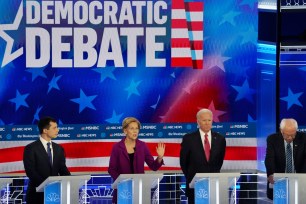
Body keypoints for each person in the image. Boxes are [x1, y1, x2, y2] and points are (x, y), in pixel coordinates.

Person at [108, 117, 165, 203]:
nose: (135, 131)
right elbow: (111, 169)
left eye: (137, 128)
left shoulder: (142, 146)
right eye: (132, 128)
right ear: (125, 131)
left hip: (139, 188)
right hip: (123, 190)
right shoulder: (117, 147)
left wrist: (160, 157)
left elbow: (153, 166)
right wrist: (122, 181)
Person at [180, 108, 226, 204]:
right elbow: (183, 162)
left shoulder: (220, 139)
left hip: (213, 184)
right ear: (198, 121)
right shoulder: (189, 138)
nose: (207, 123)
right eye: (204, 120)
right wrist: (191, 177)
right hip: (194, 185)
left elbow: (220, 161)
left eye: (209, 120)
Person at [23, 116, 71, 204]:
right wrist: (47, 185)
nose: (58, 130)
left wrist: (70, 182)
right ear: (45, 130)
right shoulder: (30, 148)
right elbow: (31, 172)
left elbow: (63, 169)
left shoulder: (59, 148)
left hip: (55, 195)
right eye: (54, 128)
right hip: (36, 195)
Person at [264, 118, 306, 200]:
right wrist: (271, 174)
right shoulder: (272, 139)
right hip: (279, 182)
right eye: (287, 135)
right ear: (281, 131)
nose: (290, 138)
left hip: (300, 182)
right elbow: (270, 158)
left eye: (293, 134)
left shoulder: (304, 139)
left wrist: (303, 178)